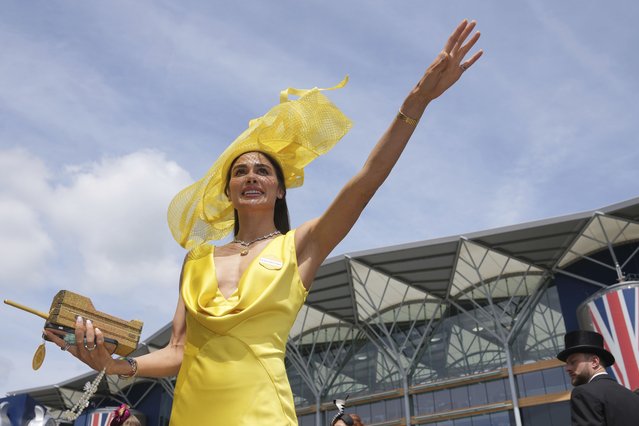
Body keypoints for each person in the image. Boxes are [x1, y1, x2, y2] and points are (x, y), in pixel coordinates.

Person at [45, 19, 483, 425]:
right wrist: (118, 365)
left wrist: (415, 103)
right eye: (240, 171)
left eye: (262, 170)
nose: (251, 175)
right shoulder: (196, 260)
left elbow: (367, 180)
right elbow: (178, 351)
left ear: (279, 189)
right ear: (229, 191)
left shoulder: (302, 245)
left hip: (263, 412)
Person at [557, 330, 639, 426]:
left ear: (594, 362)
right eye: (567, 364)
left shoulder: (584, 393)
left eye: (573, 362)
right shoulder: (633, 397)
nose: (567, 368)